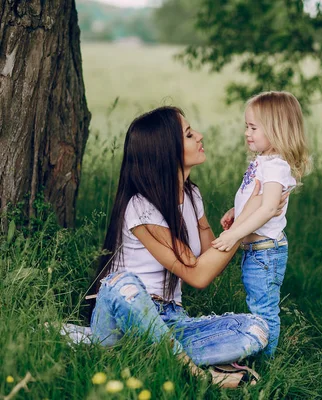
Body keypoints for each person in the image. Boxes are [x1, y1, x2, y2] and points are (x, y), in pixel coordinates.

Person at [89, 106, 287, 387]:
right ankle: (196, 373)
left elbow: (209, 263)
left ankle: (145, 356)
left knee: (256, 329)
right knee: (121, 284)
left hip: (170, 321)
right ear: (166, 150)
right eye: (189, 134)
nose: (200, 136)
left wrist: (245, 223)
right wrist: (248, 220)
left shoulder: (191, 195)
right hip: (121, 314)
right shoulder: (140, 207)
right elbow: (197, 276)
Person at [212, 91, 311, 357]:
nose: (247, 133)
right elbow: (257, 198)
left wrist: (233, 235)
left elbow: (268, 208)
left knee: (264, 309)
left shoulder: (276, 166)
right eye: (247, 126)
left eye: (254, 127)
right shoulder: (263, 161)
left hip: (265, 252)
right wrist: (237, 210)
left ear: (277, 130)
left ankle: (265, 363)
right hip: (257, 251)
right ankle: (256, 352)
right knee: (256, 304)